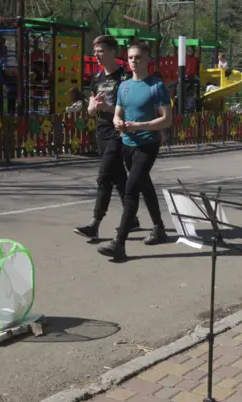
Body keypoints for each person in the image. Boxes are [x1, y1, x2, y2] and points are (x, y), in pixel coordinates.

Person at [97, 40, 172, 260]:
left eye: (138, 57)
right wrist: (119, 122)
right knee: (144, 185)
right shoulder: (124, 86)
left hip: (147, 145)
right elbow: (118, 113)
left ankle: (118, 243)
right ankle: (159, 228)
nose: (134, 62)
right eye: (130, 58)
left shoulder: (156, 86)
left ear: (148, 59)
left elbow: (166, 120)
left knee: (130, 190)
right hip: (127, 145)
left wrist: (139, 126)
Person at [74, 35, 138, 241]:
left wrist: (107, 107)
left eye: (100, 51)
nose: (97, 55)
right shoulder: (97, 78)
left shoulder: (125, 79)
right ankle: (133, 218)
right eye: (95, 52)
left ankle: (95, 224)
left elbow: (129, 110)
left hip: (118, 133)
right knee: (118, 177)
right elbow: (92, 110)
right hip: (101, 132)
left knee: (103, 178)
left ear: (113, 52)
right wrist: (93, 107)